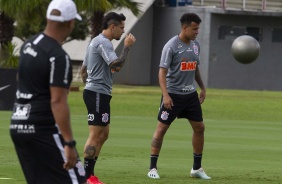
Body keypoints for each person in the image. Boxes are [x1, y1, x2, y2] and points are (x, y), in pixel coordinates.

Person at [10, 0, 86, 183]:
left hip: (18, 125)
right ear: (70, 23)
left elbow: (20, 80)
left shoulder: (28, 45)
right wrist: (69, 143)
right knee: (78, 179)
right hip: (43, 128)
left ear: (47, 17)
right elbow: (57, 101)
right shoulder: (58, 57)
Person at [147, 13, 211, 180]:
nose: (197, 32)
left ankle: (196, 168)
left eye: (198, 28)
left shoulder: (196, 46)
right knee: (161, 129)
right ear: (185, 28)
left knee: (200, 128)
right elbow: (162, 72)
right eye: (194, 29)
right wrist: (165, 95)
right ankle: (152, 168)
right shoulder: (171, 46)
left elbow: (195, 69)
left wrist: (202, 88)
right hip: (173, 95)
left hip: (190, 95)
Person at [80, 12, 136, 184]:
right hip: (97, 92)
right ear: (112, 27)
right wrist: (127, 47)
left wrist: (89, 84)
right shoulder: (103, 42)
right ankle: (86, 177)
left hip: (99, 92)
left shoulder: (95, 42)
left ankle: (90, 175)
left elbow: (83, 70)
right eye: (121, 28)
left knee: (104, 134)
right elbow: (116, 66)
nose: (123, 32)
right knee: (96, 134)